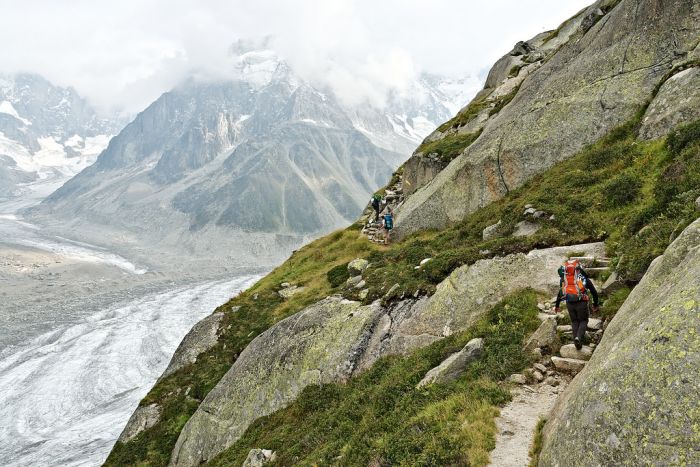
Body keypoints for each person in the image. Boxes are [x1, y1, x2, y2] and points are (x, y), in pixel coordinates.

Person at [554, 259, 599, 350]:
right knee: (583, 321)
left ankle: (576, 341)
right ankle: (579, 338)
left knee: (574, 321)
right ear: (578, 269)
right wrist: (595, 304)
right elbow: (594, 292)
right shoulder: (583, 278)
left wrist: (557, 306)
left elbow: (560, 293)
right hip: (581, 302)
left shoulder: (564, 279)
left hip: (569, 303)